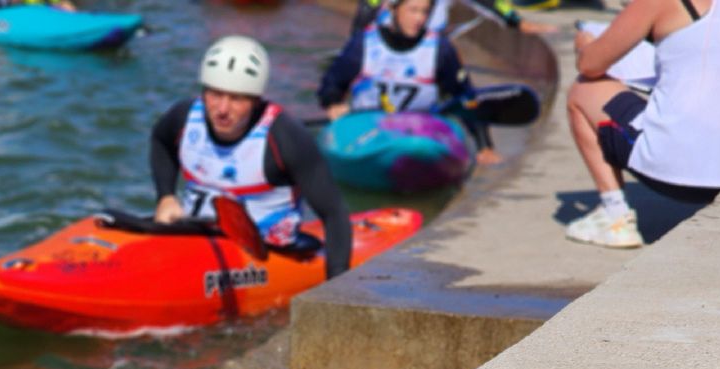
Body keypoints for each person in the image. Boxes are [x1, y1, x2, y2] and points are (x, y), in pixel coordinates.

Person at [564, 0, 720, 249]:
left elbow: (590, 64)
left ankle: (614, 215)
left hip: (677, 174)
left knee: (583, 89)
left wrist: (584, 44)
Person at [150, 36, 353, 279]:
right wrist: (166, 196)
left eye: (236, 98)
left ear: (256, 101)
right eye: (215, 94)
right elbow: (160, 141)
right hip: (195, 240)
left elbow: (334, 214)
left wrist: (336, 285)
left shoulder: (284, 136)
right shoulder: (184, 117)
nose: (222, 109)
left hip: (268, 255)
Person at [321, 0, 502, 166]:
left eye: (425, 12)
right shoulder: (364, 43)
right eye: (413, 11)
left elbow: (466, 97)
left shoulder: (440, 49)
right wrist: (333, 103)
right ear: (393, 9)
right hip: (369, 130)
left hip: (421, 133)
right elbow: (332, 83)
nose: (419, 19)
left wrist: (484, 145)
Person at [350, 0, 547, 37]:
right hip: (387, 43)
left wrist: (516, 21)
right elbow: (366, 11)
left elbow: (491, 2)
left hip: (431, 46)